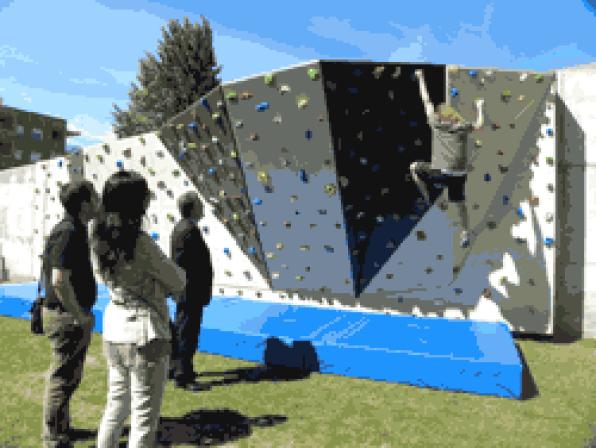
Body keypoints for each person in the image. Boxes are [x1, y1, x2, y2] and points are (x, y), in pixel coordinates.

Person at [92, 170, 186, 447]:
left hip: (115, 326)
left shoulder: (98, 236)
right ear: (137, 202)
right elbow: (177, 280)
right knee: (144, 418)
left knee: (116, 406)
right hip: (144, 332)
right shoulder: (139, 242)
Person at [42, 180, 100, 448]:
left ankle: (62, 427)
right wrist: (79, 315)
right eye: (95, 197)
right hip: (67, 316)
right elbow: (58, 281)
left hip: (69, 314)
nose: (99, 201)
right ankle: (53, 437)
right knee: (62, 378)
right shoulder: (68, 232)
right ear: (85, 204)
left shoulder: (74, 229)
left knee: (69, 377)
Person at [410, 69, 485, 248]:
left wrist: (421, 78)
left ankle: (426, 195)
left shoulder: (436, 124)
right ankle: (466, 231)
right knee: (460, 205)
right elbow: (480, 125)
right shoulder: (461, 127)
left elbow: (426, 100)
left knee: (413, 167)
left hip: (443, 172)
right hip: (459, 174)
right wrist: (480, 107)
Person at [169, 191, 214, 392]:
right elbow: (181, 264)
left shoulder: (184, 229)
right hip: (190, 291)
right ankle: (183, 375)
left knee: (184, 330)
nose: (203, 207)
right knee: (187, 332)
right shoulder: (187, 231)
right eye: (200, 204)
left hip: (188, 290)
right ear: (193, 207)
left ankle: (178, 368)